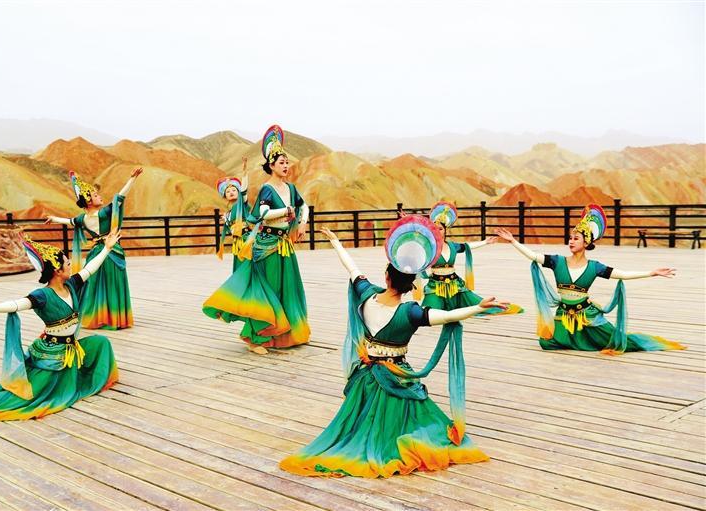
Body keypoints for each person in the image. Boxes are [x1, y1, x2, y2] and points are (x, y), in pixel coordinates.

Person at [280, 217, 510, 478]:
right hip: (397, 376)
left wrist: (336, 243)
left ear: (387, 277)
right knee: (423, 422)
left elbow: (353, 269)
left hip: (367, 377)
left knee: (358, 423)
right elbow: (447, 316)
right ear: (411, 285)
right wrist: (477, 307)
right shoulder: (411, 312)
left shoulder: (367, 295)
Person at [0, 231, 121, 420]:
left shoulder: (71, 285)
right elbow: (18, 304)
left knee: (101, 343)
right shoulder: (42, 295)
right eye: (67, 264)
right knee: (36, 393)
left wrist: (107, 249)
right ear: (57, 270)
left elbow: (90, 269)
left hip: (70, 348)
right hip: (53, 353)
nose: (71, 266)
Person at [495, 204, 686, 354]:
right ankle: (576, 339)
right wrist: (513, 241)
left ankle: (590, 338)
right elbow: (532, 255)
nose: (571, 241)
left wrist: (652, 273)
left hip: (587, 314)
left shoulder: (595, 267)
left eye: (576, 238)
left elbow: (622, 274)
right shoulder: (557, 261)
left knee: (616, 341)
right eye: (570, 238)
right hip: (564, 313)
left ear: (586, 242)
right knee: (546, 342)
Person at [203, 125, 310, 354]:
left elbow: (304, 206)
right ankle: (255, 338)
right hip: (268, 245)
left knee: (287, 289)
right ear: (271, 165)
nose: (286, 166)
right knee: (267, 290)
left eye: (287, 162)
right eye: (281, 162)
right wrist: (285, 211)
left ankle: (285, 334)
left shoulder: (291, 188)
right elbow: (262, 214)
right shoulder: (267, 190)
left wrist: (302, 223)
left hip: (284, 245)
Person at [46, 167, 143, 329]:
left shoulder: (82, 219)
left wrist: (54, 218)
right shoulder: (104, 214)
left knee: (94, 285)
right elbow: (120, 197)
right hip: (111, 251)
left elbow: (69, 221)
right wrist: (132, 178)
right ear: (89, 201)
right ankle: (114, 318)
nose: (100, 196)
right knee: (112, 284)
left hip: (96, 253)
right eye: (96, 195)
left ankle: (95, 316)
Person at [417, 201, 523, 316]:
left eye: (440, 229)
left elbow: (467, 246)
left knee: (476, 304)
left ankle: (497, 306)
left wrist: (485, 242)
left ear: (445, 230)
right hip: (436, 286)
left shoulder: (453, 246)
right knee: (428, 313)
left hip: (455, 285)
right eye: (435, 229)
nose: (438, 231)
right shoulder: (429, 247)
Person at [216, 156, 253, 272]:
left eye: (233, 190)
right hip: (237, 241)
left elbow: (244, 189)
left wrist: (244, 170)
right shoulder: (230, 212)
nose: (231, 192)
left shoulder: (242, 202)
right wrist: (226, 219)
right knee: (239, 266)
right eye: (227, 191)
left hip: (246, 239)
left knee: (247, 267)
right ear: (225, 196)